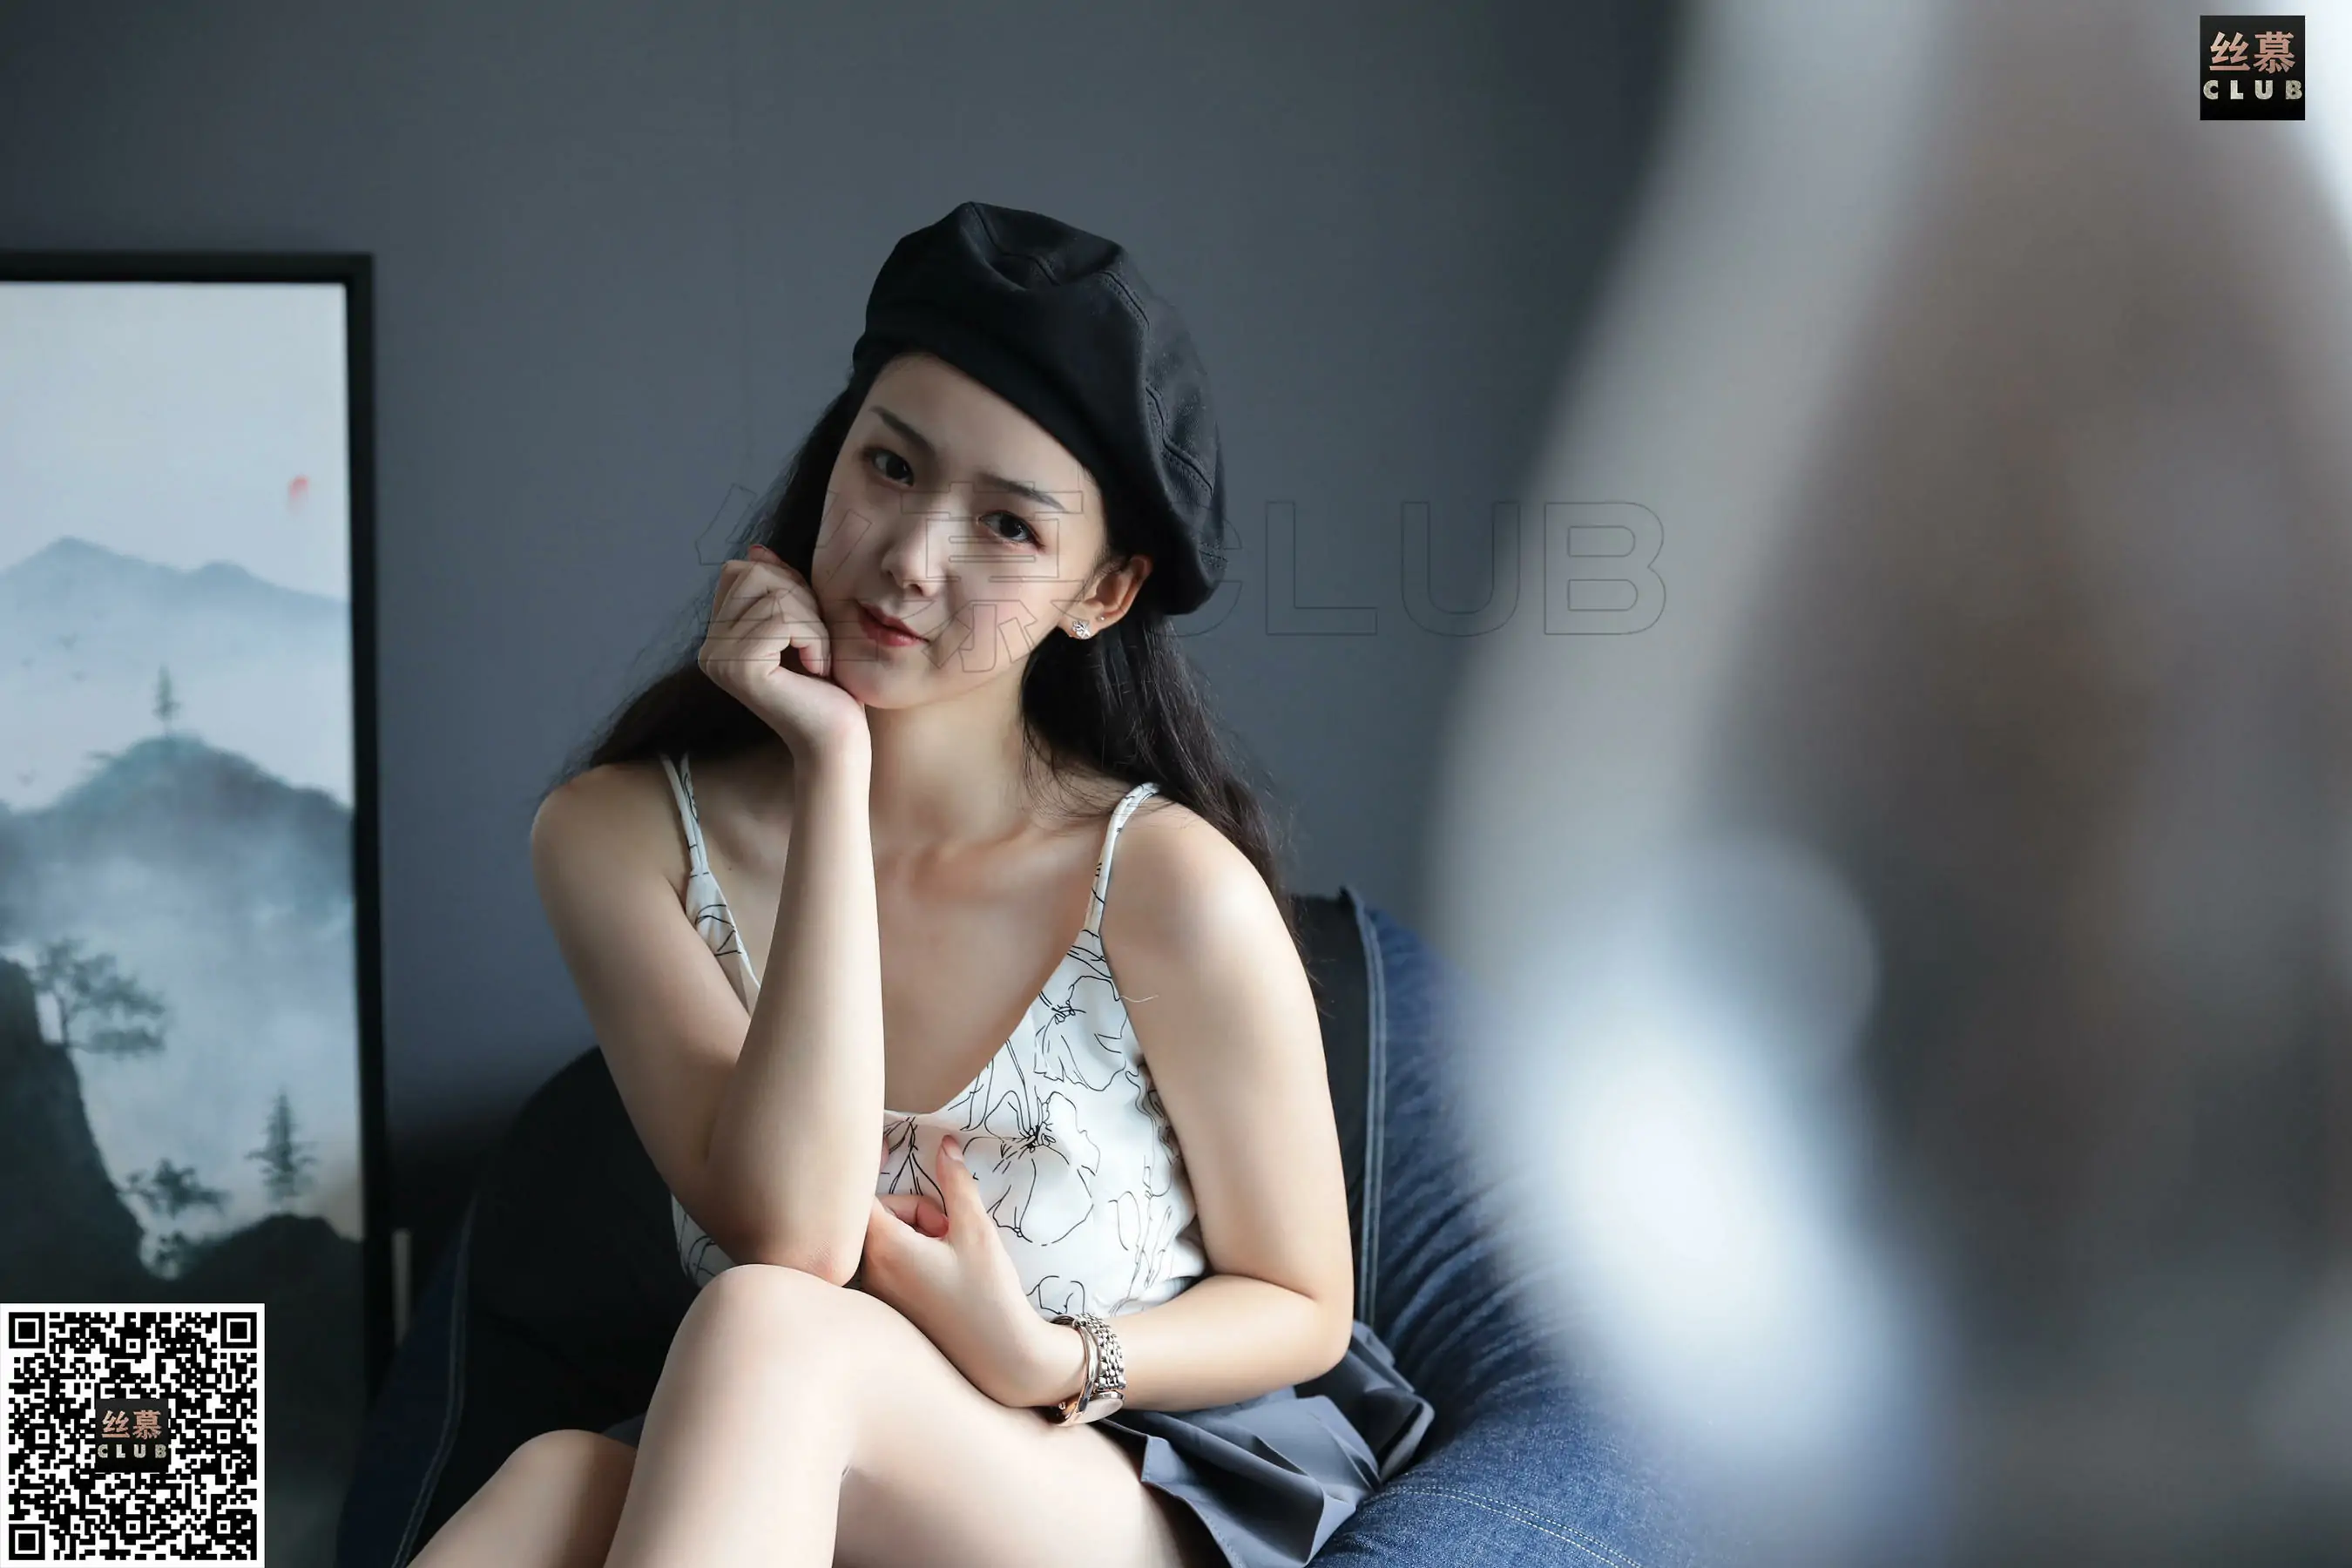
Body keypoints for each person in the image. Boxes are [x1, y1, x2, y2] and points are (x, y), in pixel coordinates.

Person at [407, 201, 1432, 1568]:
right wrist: (834, 772)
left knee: (767, 1331)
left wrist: (1053, 1356)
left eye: (1007, 525)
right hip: (801, 1461)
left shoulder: (1167, 885)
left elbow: (1302, 1301)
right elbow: (793, 1226)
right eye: (890, 466)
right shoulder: (616, 838)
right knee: (554, 1484)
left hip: (1123, 1479)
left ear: (1103, 593)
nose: (910, 556)